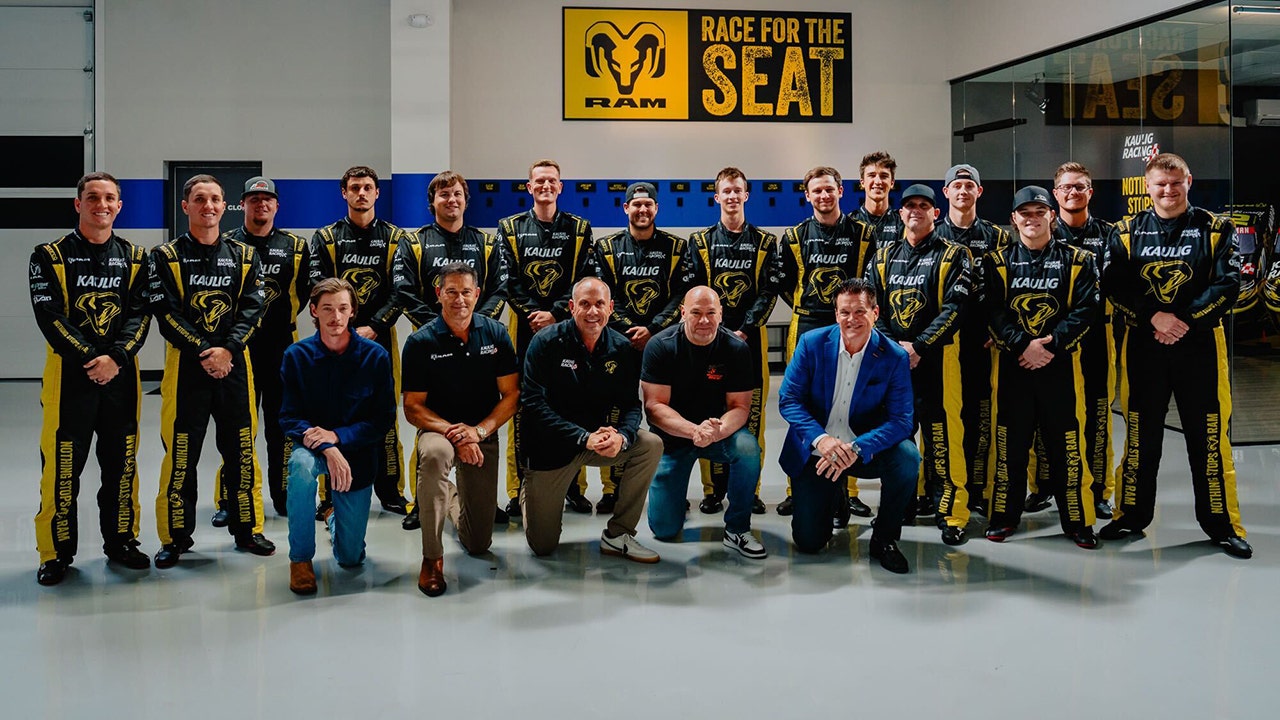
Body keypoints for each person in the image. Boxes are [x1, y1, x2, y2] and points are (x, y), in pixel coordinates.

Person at [1101, 153, 1251, 558]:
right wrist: (1155, 317)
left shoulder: (1217, 228)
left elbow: (1228, 284)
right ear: (1147, 186)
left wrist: (1182, 321)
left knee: (1209, 440)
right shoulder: (1126, 231)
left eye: (1175, 182)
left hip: (1200, 345)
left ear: (1189, 181)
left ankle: (1222, 525)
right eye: (1160, 184)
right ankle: (1130, 515)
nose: (1168, 190)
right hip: (1143, 345)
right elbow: (1114, 284)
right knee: (1140, 439)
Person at [30, 171, 152, 585]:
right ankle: (55, 552)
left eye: (110, 198)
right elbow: (50, 316)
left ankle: (121, 542)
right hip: (69, 377)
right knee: (62, 469)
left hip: (122, 376)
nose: (102, 204)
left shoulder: (137, 258)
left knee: (122, 465)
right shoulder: (49, 255)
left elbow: (140, 315)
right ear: (78, 204)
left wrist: (115, 358)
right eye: (93, 197)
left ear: (120, 206)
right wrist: (91, 359)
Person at [149, 174, 273, 567]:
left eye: (215, 199)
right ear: (185, 206)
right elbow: (166, 313)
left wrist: (228, 349)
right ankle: (175, 538)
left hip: (235, 365)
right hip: (186, 367)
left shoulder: (244, 256)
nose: (209, 206)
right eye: (200, 199)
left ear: (224, 206)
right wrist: (206, 350)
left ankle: (247, 529)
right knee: (181, 455)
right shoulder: (165, 256)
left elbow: (253, 308)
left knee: (241, 450)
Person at [981, 186, 1100, 548]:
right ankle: (1004, 517)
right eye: (1025, 213)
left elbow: (1087, 309)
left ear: (1052, 216)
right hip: (1013, 367)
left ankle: (1078, 521)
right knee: (1009, 446)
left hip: (1060, 366)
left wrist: (1050, 344)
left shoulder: (1079, 260)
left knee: (1068, 447)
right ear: (1014, 219)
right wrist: (1023, 345)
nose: (1032, 219)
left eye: (1039, 212)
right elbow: (992, 310)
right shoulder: (995, 261)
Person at [777, 278, 918, 573]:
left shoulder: (894, 356)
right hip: (819, 451)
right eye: (844, 312)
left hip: (863, 449)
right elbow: (789, 400)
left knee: (907, 457)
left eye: (860, 311)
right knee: (809, 541)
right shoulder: (812, 343)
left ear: (875, 313)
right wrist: (821, 439)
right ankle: (836, 494)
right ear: (836, 314)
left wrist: (857, 447)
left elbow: (902, 421)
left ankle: (884, 538)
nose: (851, 319)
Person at [393, 170, 508, 530]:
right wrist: (442, 325)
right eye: (443, 194)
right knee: (427, 422)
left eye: (457, 194)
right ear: (432, 202)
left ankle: (481, 498)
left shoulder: (486, 243)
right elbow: (404, 291)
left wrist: (473, 323)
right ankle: (421, 500)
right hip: (431, 345)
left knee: (481, 411)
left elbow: (499, 288)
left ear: (465, 200)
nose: (451, 200)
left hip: (479, 341)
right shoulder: (414, 242)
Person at [520, 277, 663, 562]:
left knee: (650, 445)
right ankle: (531, 492)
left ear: (610, 308)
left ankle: (619, 534)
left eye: (599, 304)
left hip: (596, 442)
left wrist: (622, 436)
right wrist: (582, 437)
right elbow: (533, 403)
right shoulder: (545, 342)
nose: (592, 312)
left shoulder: (621, 348)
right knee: (543, 546)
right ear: (572, 307)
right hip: (550, 448)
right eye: (584, 304)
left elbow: (630, 404)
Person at [401, 263, 519, 596]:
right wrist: (456, 433)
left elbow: (511, 396)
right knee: (435, 457)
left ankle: (447, 495)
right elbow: (413, 407)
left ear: (477, 294)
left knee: (478, 543)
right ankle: (431, 558)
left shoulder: (496, 334)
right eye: (451, 292)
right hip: (439, 430)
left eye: (466, 292)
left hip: (481, 432)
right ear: (438, 294)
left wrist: (478, 432)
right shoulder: (420, 342)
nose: (459, 300)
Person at [866, 184, 973, 545]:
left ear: (935, 213)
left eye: (923, 205)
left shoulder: (955, 254)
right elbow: (872, 309)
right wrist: (897, 349)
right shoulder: (883, 257)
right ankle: (901, 506)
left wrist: (920, 346)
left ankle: (952, 514)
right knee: (898, 436)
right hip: (893, 363)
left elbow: (956, 307)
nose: (915, 210)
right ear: (900, 214)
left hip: (939, 361)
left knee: (943, 439)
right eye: (909, 205)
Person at [278, 278, 395, 595]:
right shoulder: (296, 356)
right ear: (313, 311)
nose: (336, 317)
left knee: (351, 559)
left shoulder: (375, 357)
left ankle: (333, 519)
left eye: (343, 308)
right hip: (314, 447)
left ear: (353, 311)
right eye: (327, 309)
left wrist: (338, 436)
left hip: (357, 452)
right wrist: (329, 446)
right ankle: (300, 559)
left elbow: (383, 419)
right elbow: (289, 417)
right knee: (300, 467)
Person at [497, 160, 596, 518]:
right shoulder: (509, 228)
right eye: (539, 181)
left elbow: (585, 278)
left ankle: (573, 487)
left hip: (569, 326)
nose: (545, 186)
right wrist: (533, 314)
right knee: (522, 408)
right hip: (524, 328)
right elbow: (506, 279)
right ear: (529, 187)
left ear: (560, 187)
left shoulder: (580, 229)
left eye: (552, 181)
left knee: (573, 403)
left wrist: (555, 313)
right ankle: (518, 488)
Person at [311, 166, 410, 519]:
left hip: (380, 339)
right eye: (354, 188)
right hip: (334, 340)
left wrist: (375, 325)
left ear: (377, 193)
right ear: (344, 193)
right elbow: (318, 290)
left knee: (385, 416)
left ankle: (391, 490)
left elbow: (401, 290)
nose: (361, 193)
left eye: (367, 187)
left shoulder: (396, 238)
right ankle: (329, 495)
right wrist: (345, 330)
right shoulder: (326, 238)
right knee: (330, 414)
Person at [589, 182, 694, 514]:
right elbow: (604, 294)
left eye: (648, 204)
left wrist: (654, 328)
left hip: (663, 344)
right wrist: (629, 328)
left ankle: (670, 487)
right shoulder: (606, 248)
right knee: (614, 411)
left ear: (656, 208)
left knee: (668, 412)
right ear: (626, 209)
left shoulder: (676, 247)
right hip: (618, 342)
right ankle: (613, 489)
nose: (642, 210)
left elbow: (681, 293)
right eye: (636, 205)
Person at [777, 166, 876, 517]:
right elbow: (785, 283)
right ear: (807, 196)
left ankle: (848, 491)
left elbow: (873, 282)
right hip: (807, 324)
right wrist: (815, 307)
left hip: (851, 324)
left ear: (840, 192)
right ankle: (797, 488)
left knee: (850, 406)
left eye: (829, 189)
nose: (823, 195)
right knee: (802, 405)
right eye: (816, 190)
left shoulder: (863, 234)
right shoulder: (794, 236)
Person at [212, 177, 311, 523]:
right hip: (238, 349)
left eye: (267, 199)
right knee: (236, 427)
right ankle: (230, 499)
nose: (261, 205)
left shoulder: (296, 246)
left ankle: (283, 496)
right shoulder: (226, 244)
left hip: (282, 347)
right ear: (243, 204)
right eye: (254, 199)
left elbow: (304, 294)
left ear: (276, 205)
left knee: (281, 427)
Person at [642, 286, 766, 559]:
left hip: (718, 433)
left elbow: (740, 407)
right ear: (683, 313)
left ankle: (738, 529)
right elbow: (654, 408)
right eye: (696, 313)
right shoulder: (661, 346)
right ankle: (674, 503)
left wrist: (717, 431)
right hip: (674, 439)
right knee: (664, 529)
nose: (704, 320)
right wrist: (694, 430)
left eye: (711, 313)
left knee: (747, 448)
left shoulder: (736, 348)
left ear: (721, 314)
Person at [687, 167, 777, 516]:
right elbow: (694, 291)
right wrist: (718, 330)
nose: (732, 196)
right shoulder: (700, 241)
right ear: (717, 197)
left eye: (738, 190)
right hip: (708, 340)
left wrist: (744, 329)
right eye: (726, 191)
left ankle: (749, 490)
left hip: (750, 340)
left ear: (746, 195)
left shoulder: (765, 242)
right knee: (708, 412)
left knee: (752, 417)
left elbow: (769, 291)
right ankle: (713, 490)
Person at [933, 164, 1010, 518]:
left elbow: (1009, 288)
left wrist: (999, 330)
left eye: (969, 185)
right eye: (957, 185)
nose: (963, 191)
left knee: (980, 416)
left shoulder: (997, 237)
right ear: (946, 192)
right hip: (941, 341)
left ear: (979, 191)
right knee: (939, 417)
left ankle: (977, 488)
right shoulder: (933, 234)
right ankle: (934, 488)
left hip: (983, 342)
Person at [1044, 162, 1117, 519]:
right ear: (1055, 193)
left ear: (1090, 191)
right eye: (1066, 187)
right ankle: (1044, 485)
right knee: (1047, 415)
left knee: (1097, 415)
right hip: (1051, 338)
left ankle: (1098, 489)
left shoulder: (1110, 234)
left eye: (1080, 187)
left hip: (1097, 336)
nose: (1073, 192)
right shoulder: (1043, 232)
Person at [851, 151, 902, 249]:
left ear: (892, 183)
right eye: (871, 175)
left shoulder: (902, 223)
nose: (878, 181)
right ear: (862, 182)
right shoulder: (850, 223)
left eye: (884, 176)